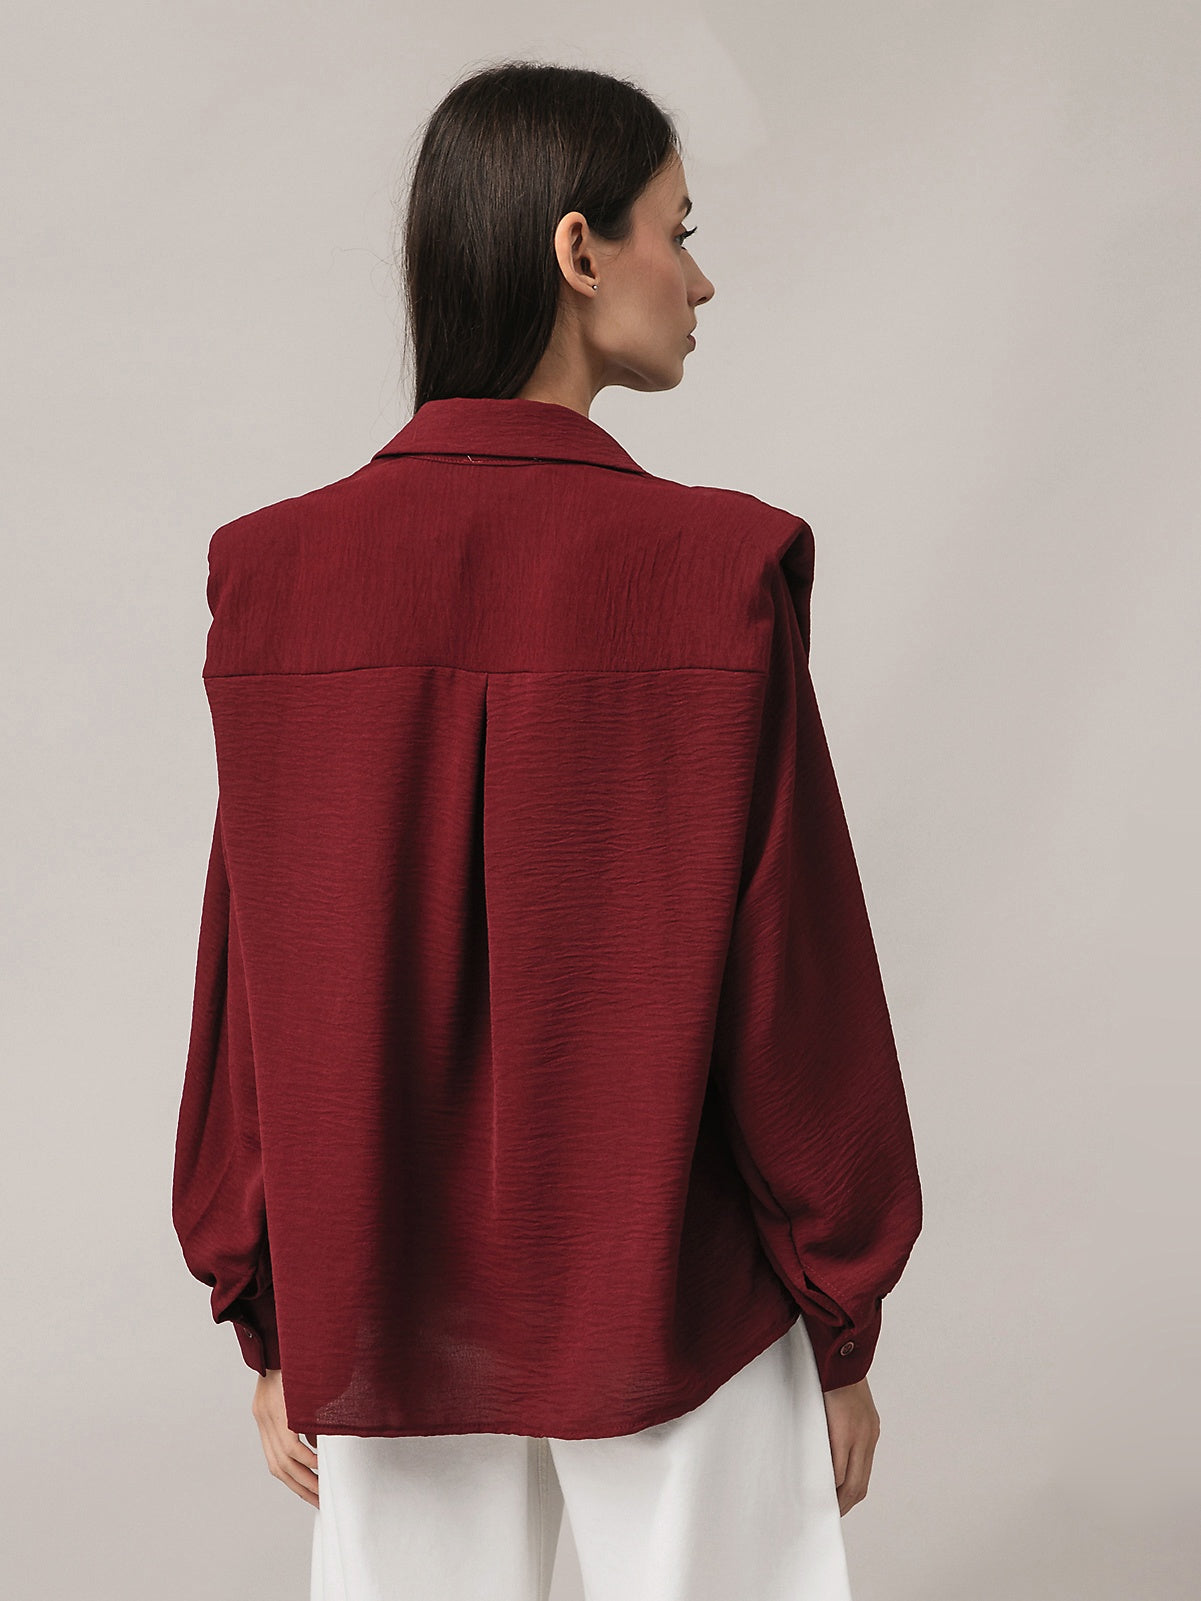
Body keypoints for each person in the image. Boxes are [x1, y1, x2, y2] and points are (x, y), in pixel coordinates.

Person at [172, 59, 923, 1601]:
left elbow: (253, 975)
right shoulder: (715, 572)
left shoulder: (275, 575)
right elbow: (796, 991)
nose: (698, 279)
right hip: (681, 1294)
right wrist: (837, 1319)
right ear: (577, 250)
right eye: (675, 229)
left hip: (379, 1294)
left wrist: (271, 1307)